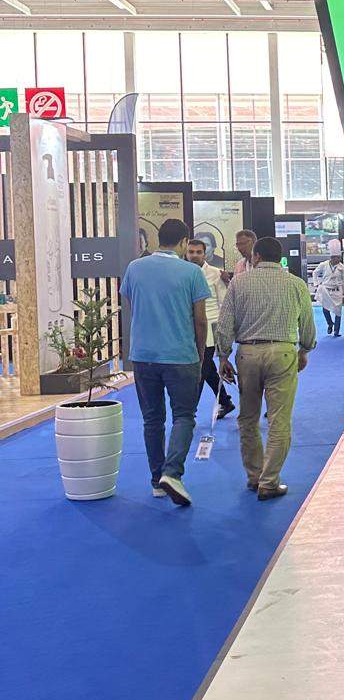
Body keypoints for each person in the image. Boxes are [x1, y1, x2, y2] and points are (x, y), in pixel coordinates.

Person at [215, 235, 316, 501]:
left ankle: (254, 476)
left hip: (247, 354)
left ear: (256, 256)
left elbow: (224, 324)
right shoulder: (296, 284)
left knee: (248, 418)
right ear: (279, 258)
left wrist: (223, 356)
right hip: (283, 352)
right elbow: (307, 324)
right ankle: (269, 481)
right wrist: (305, 350)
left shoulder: (238, 282)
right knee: (279, 420)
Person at [119, 216, 210, 507]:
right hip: (181, 355)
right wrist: (200, 355)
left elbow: (132, 306)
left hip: (143, 356)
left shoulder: (134, 268)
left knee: (152, 419)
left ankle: (156, 480)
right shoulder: (192, 272)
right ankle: (172, 473)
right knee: (184, 416)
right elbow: (200, 320)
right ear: (184, 242)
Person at [186, 238, 236, 419]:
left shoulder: (216, 273)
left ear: (205, 253)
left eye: (198, 252)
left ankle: (190, 412)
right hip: (189, 328)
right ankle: (225, 401)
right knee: (207, 367)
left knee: (201, 369)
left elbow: (224, 303)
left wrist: (224, 331)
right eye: (191, 252)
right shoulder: (183, 272)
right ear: (186, 253)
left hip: (211, 328)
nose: (195, 255)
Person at [312, 249, 344, 336]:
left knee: (338, 311)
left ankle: (336, 331)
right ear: (332, 257)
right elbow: (315, 273)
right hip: (326, 290)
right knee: (325, 309)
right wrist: (316, 284)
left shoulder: (342, 267)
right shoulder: (323, 264)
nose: (338, 259)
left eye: (339, 257)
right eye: (337, 257)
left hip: (337, 291)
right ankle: (330, 323)